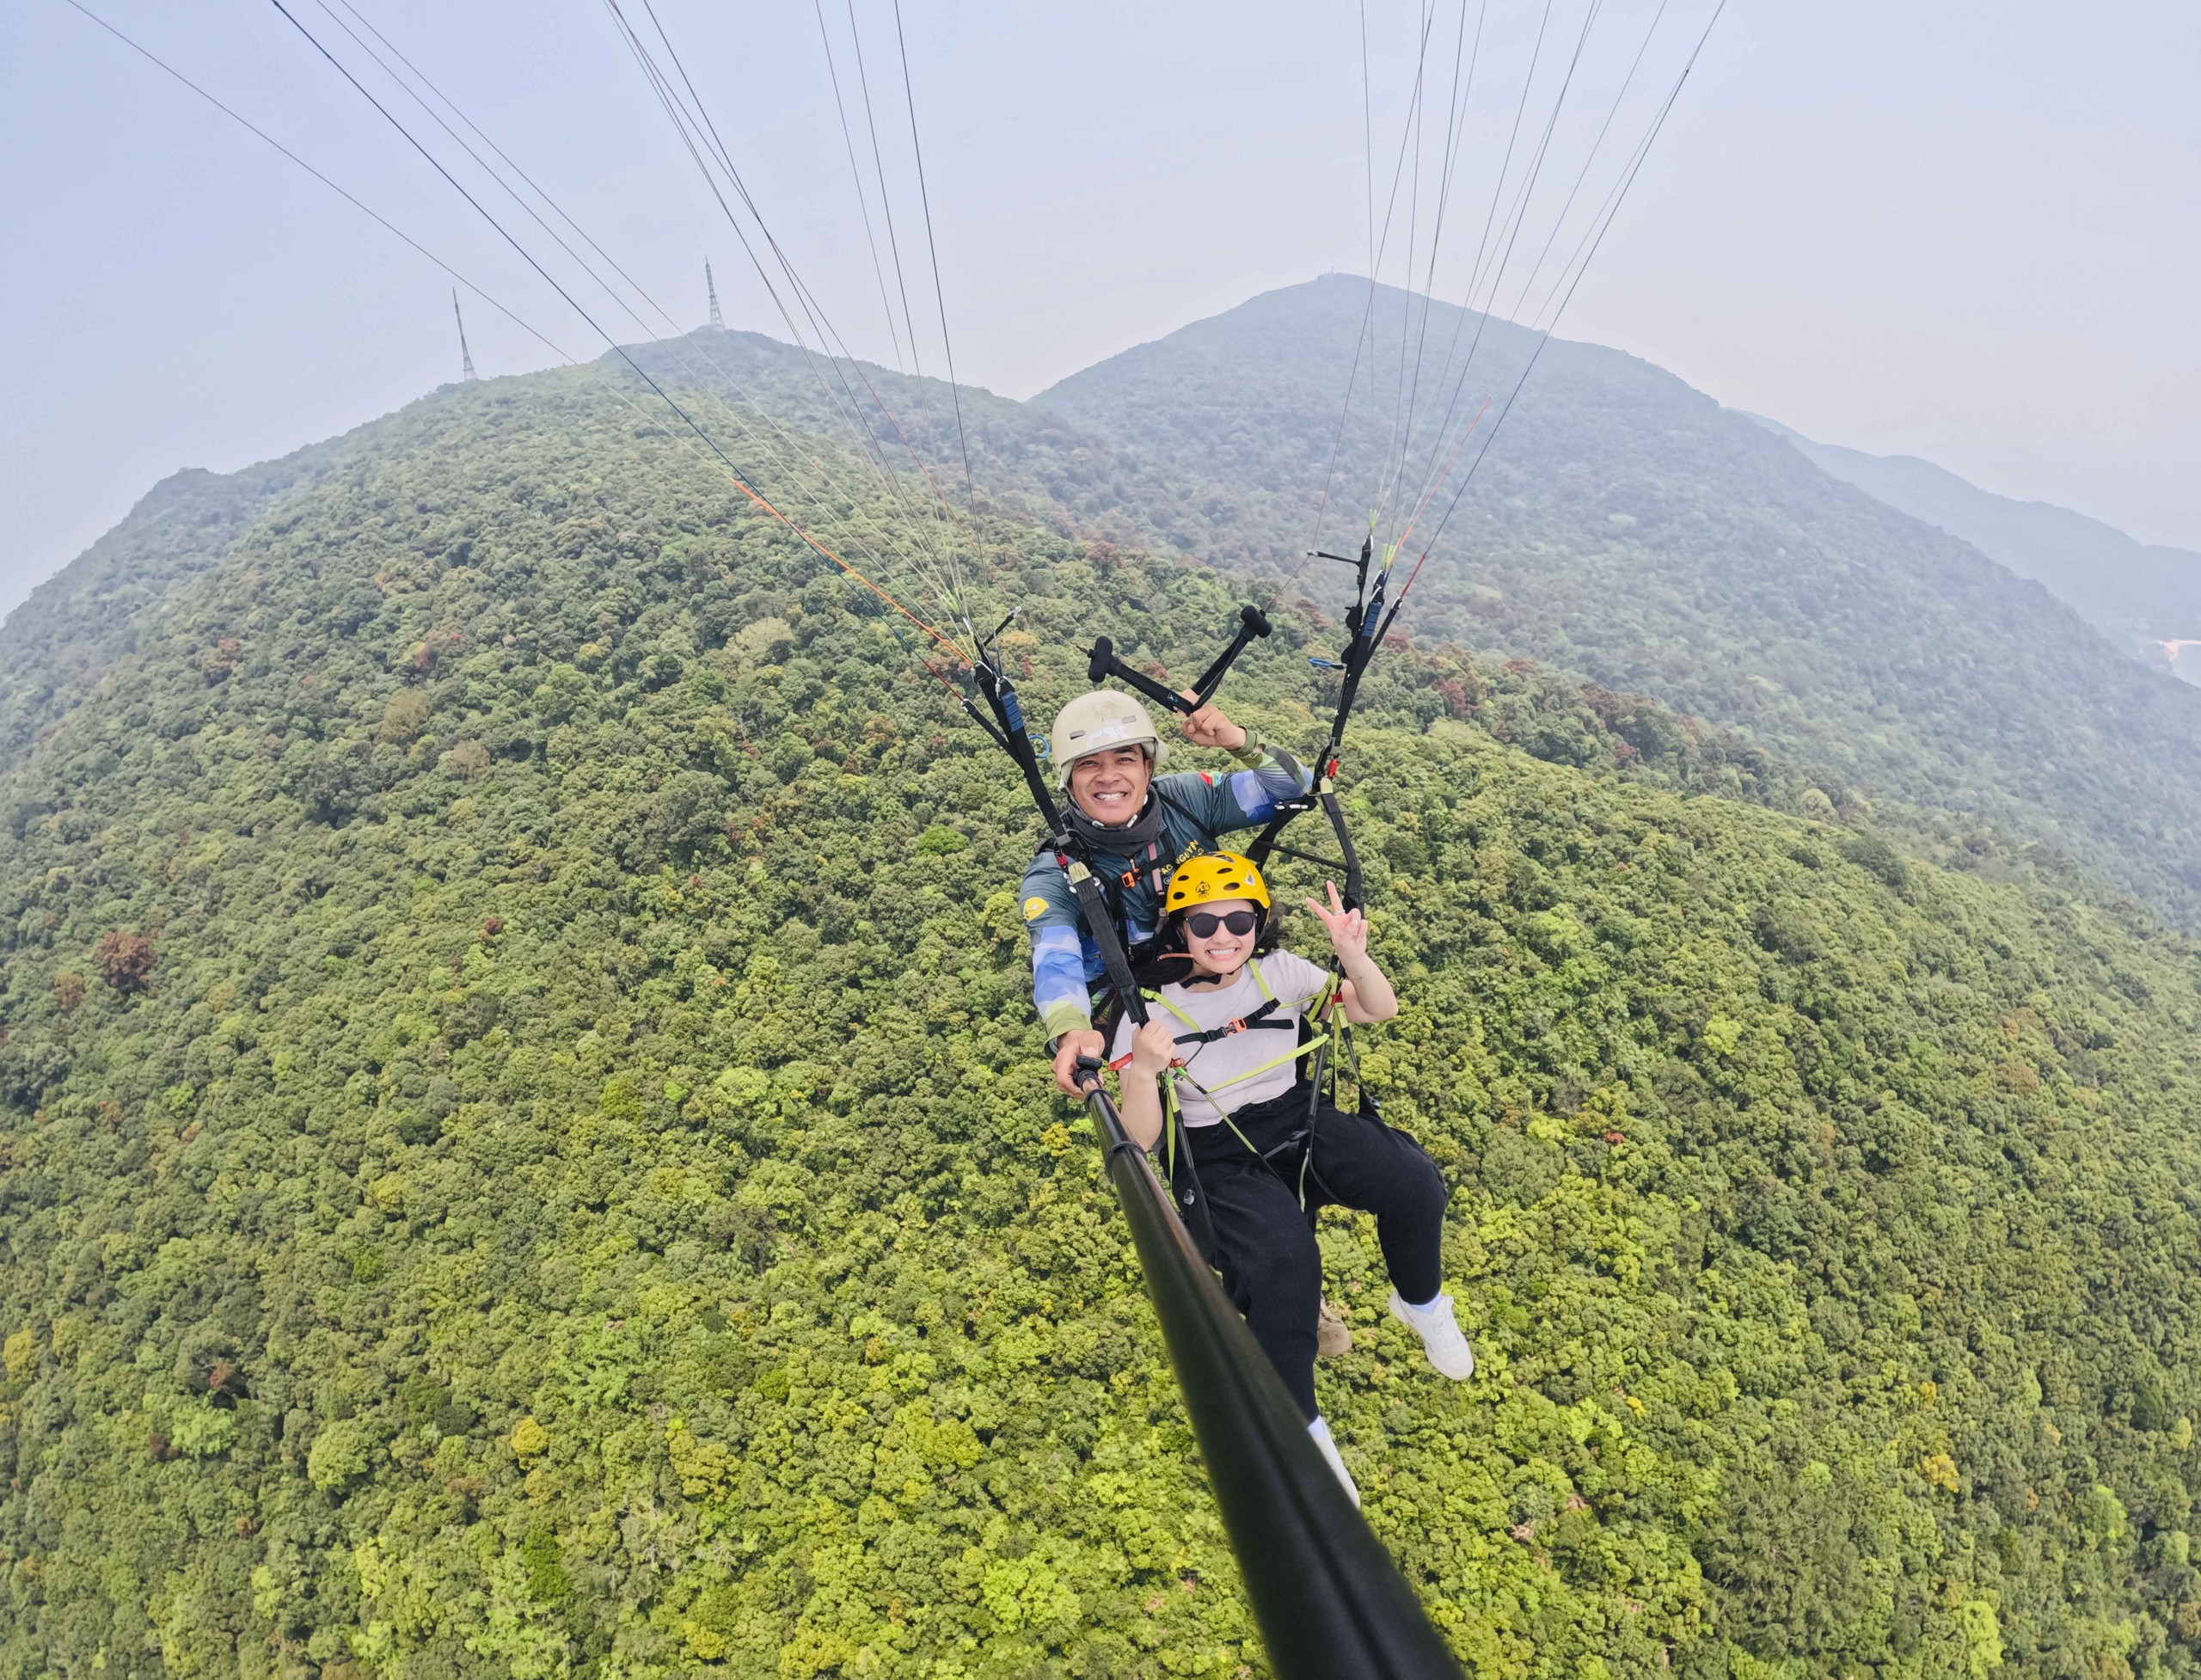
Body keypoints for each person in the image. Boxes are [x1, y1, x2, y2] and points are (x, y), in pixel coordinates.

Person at [1112, 851, 1474, 1506]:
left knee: (1414, 1183)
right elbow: (1138, 1142)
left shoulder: (1279, 971)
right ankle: (1302, 1429)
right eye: (1204, 924)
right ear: (1178, 931)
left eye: (1239, 921)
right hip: (1216, 1153)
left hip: (1294, 1117)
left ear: (1260, 924)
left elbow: (1376, 1010)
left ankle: (1420, 1303)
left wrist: (1351, 955)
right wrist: (1141, 1069)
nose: (1224, 936)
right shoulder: (1146, 1011)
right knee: (1284, 1268)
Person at [1019, 688, 1311, 1096]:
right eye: (1088, 765)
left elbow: (1294, 788)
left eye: (1124, 759)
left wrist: (1237, 740)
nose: (1108, 777)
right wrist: (1070, 1031)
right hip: (1140, 1000)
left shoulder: (1187, 800)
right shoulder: (1057, 872)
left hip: (1212, 961)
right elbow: (1055, 958)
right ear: (1068, 781)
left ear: (1148, 767)